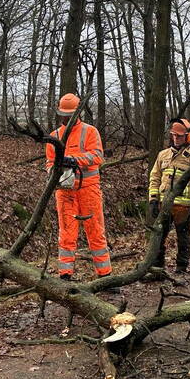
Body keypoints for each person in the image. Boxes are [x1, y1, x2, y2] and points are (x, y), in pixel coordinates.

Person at [45, 93, 111, 279]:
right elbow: (49, 163)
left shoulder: (89, 132)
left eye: (69, 115)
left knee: (96, 231)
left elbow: (97, 156)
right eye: (63, 115)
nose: (65, 118)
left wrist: (74, 160)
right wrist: (55, 170)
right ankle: (65, 275)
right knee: (66, 233)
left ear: (77, 114)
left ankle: (105, 275)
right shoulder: (54, 136)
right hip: (65, 191)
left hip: (89, 188)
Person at [147, 118, 190, 273]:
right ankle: (157, 267)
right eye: (174, 135)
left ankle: (181, 267)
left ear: (187, 136)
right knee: (159, 236)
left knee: (183, 238)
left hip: (183, 206)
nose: (176, 138)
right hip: (164, 204)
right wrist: (153, 199)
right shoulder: (163, 155)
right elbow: (154, 178)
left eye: (179, 136)